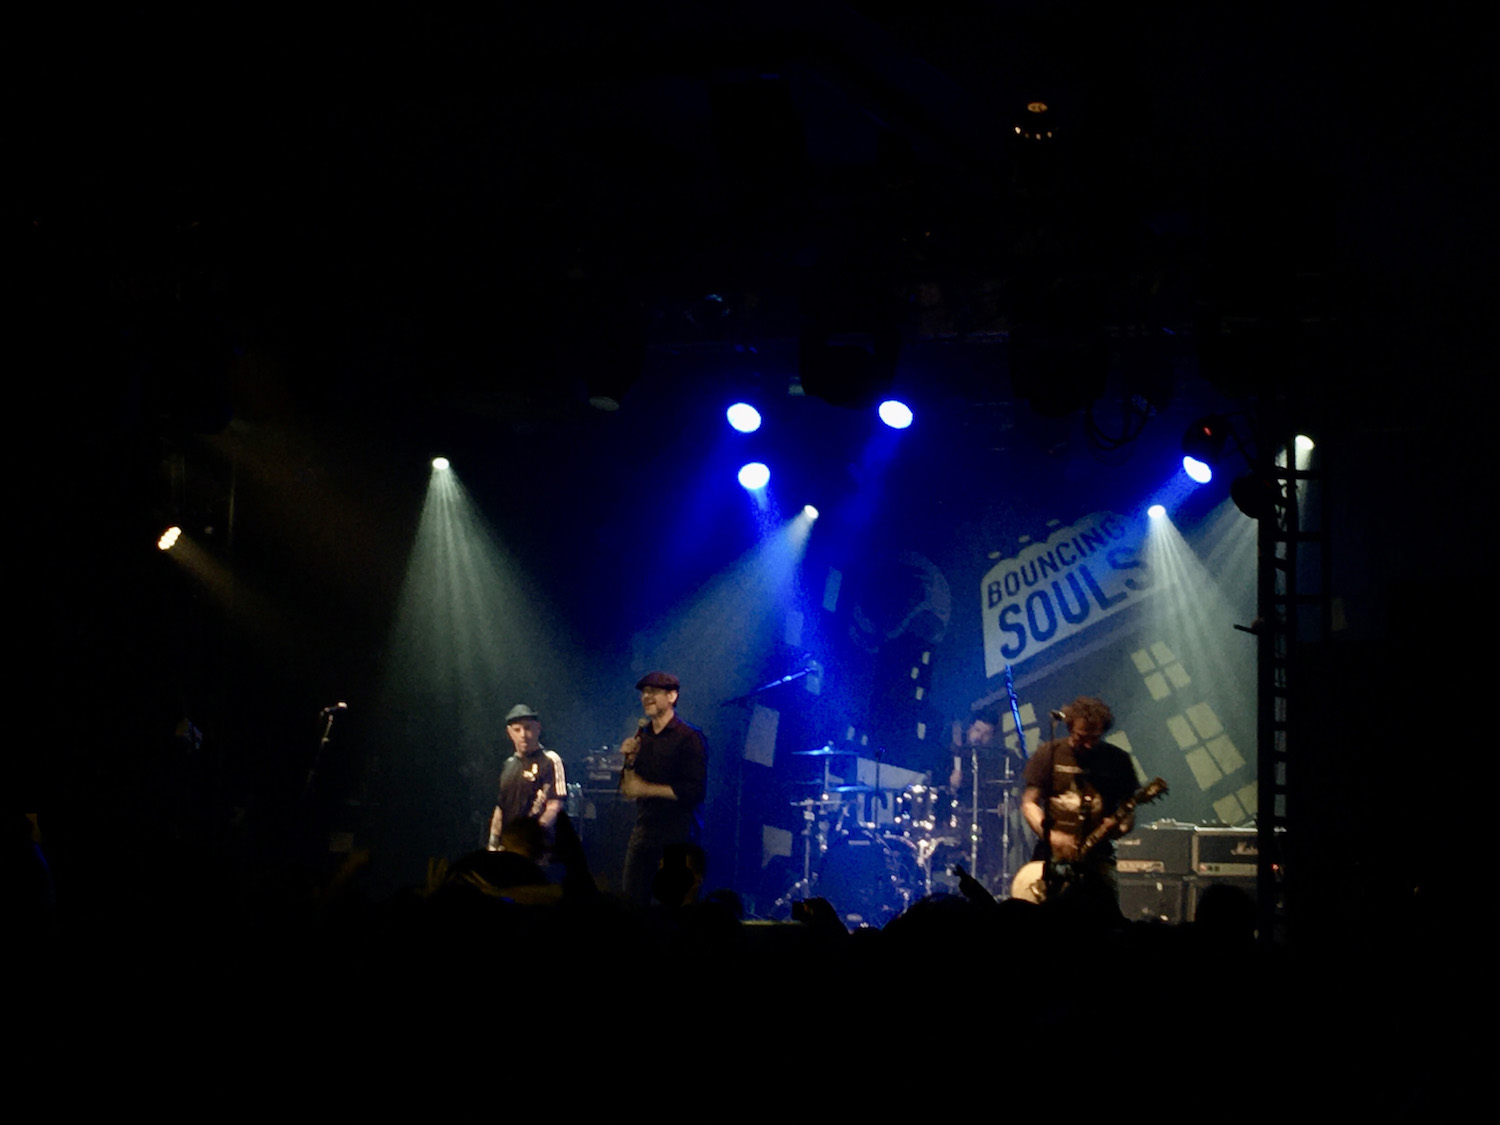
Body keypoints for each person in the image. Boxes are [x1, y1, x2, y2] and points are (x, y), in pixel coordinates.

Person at [1018, 696, 1137, 901]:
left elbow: (1129, 809)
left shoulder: (1117, 760)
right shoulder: (1049, 753)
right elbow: (1029, 802)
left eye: (1095, 737)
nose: (1088, 744)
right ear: (1070, 727)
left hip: (1097, 855)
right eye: (1082, 737)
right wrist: (1052, 836)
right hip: (1050, 856)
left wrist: (1122, 827)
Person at [618, 672, 708, 907]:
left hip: (678, 835)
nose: (646, 697)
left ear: (672, 696)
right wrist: (629, 762)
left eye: (653, 692)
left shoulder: (689, 737)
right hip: (644, 831)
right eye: (644, 693)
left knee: (675, 905)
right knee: (632, 904)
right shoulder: (643, 737)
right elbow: (629, 790)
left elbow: (694, 791)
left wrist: (646, 789)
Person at [487, 703, 567, 853]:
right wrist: (493, 843)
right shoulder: (508, 765)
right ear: (509, 732)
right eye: (517, 730)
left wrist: (533, 835)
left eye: (528, 728)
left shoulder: (550, 760)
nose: (523, 735)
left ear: (538, 728)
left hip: (538, 848)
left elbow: (555, 805)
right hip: (509, 847)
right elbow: (500, 808)